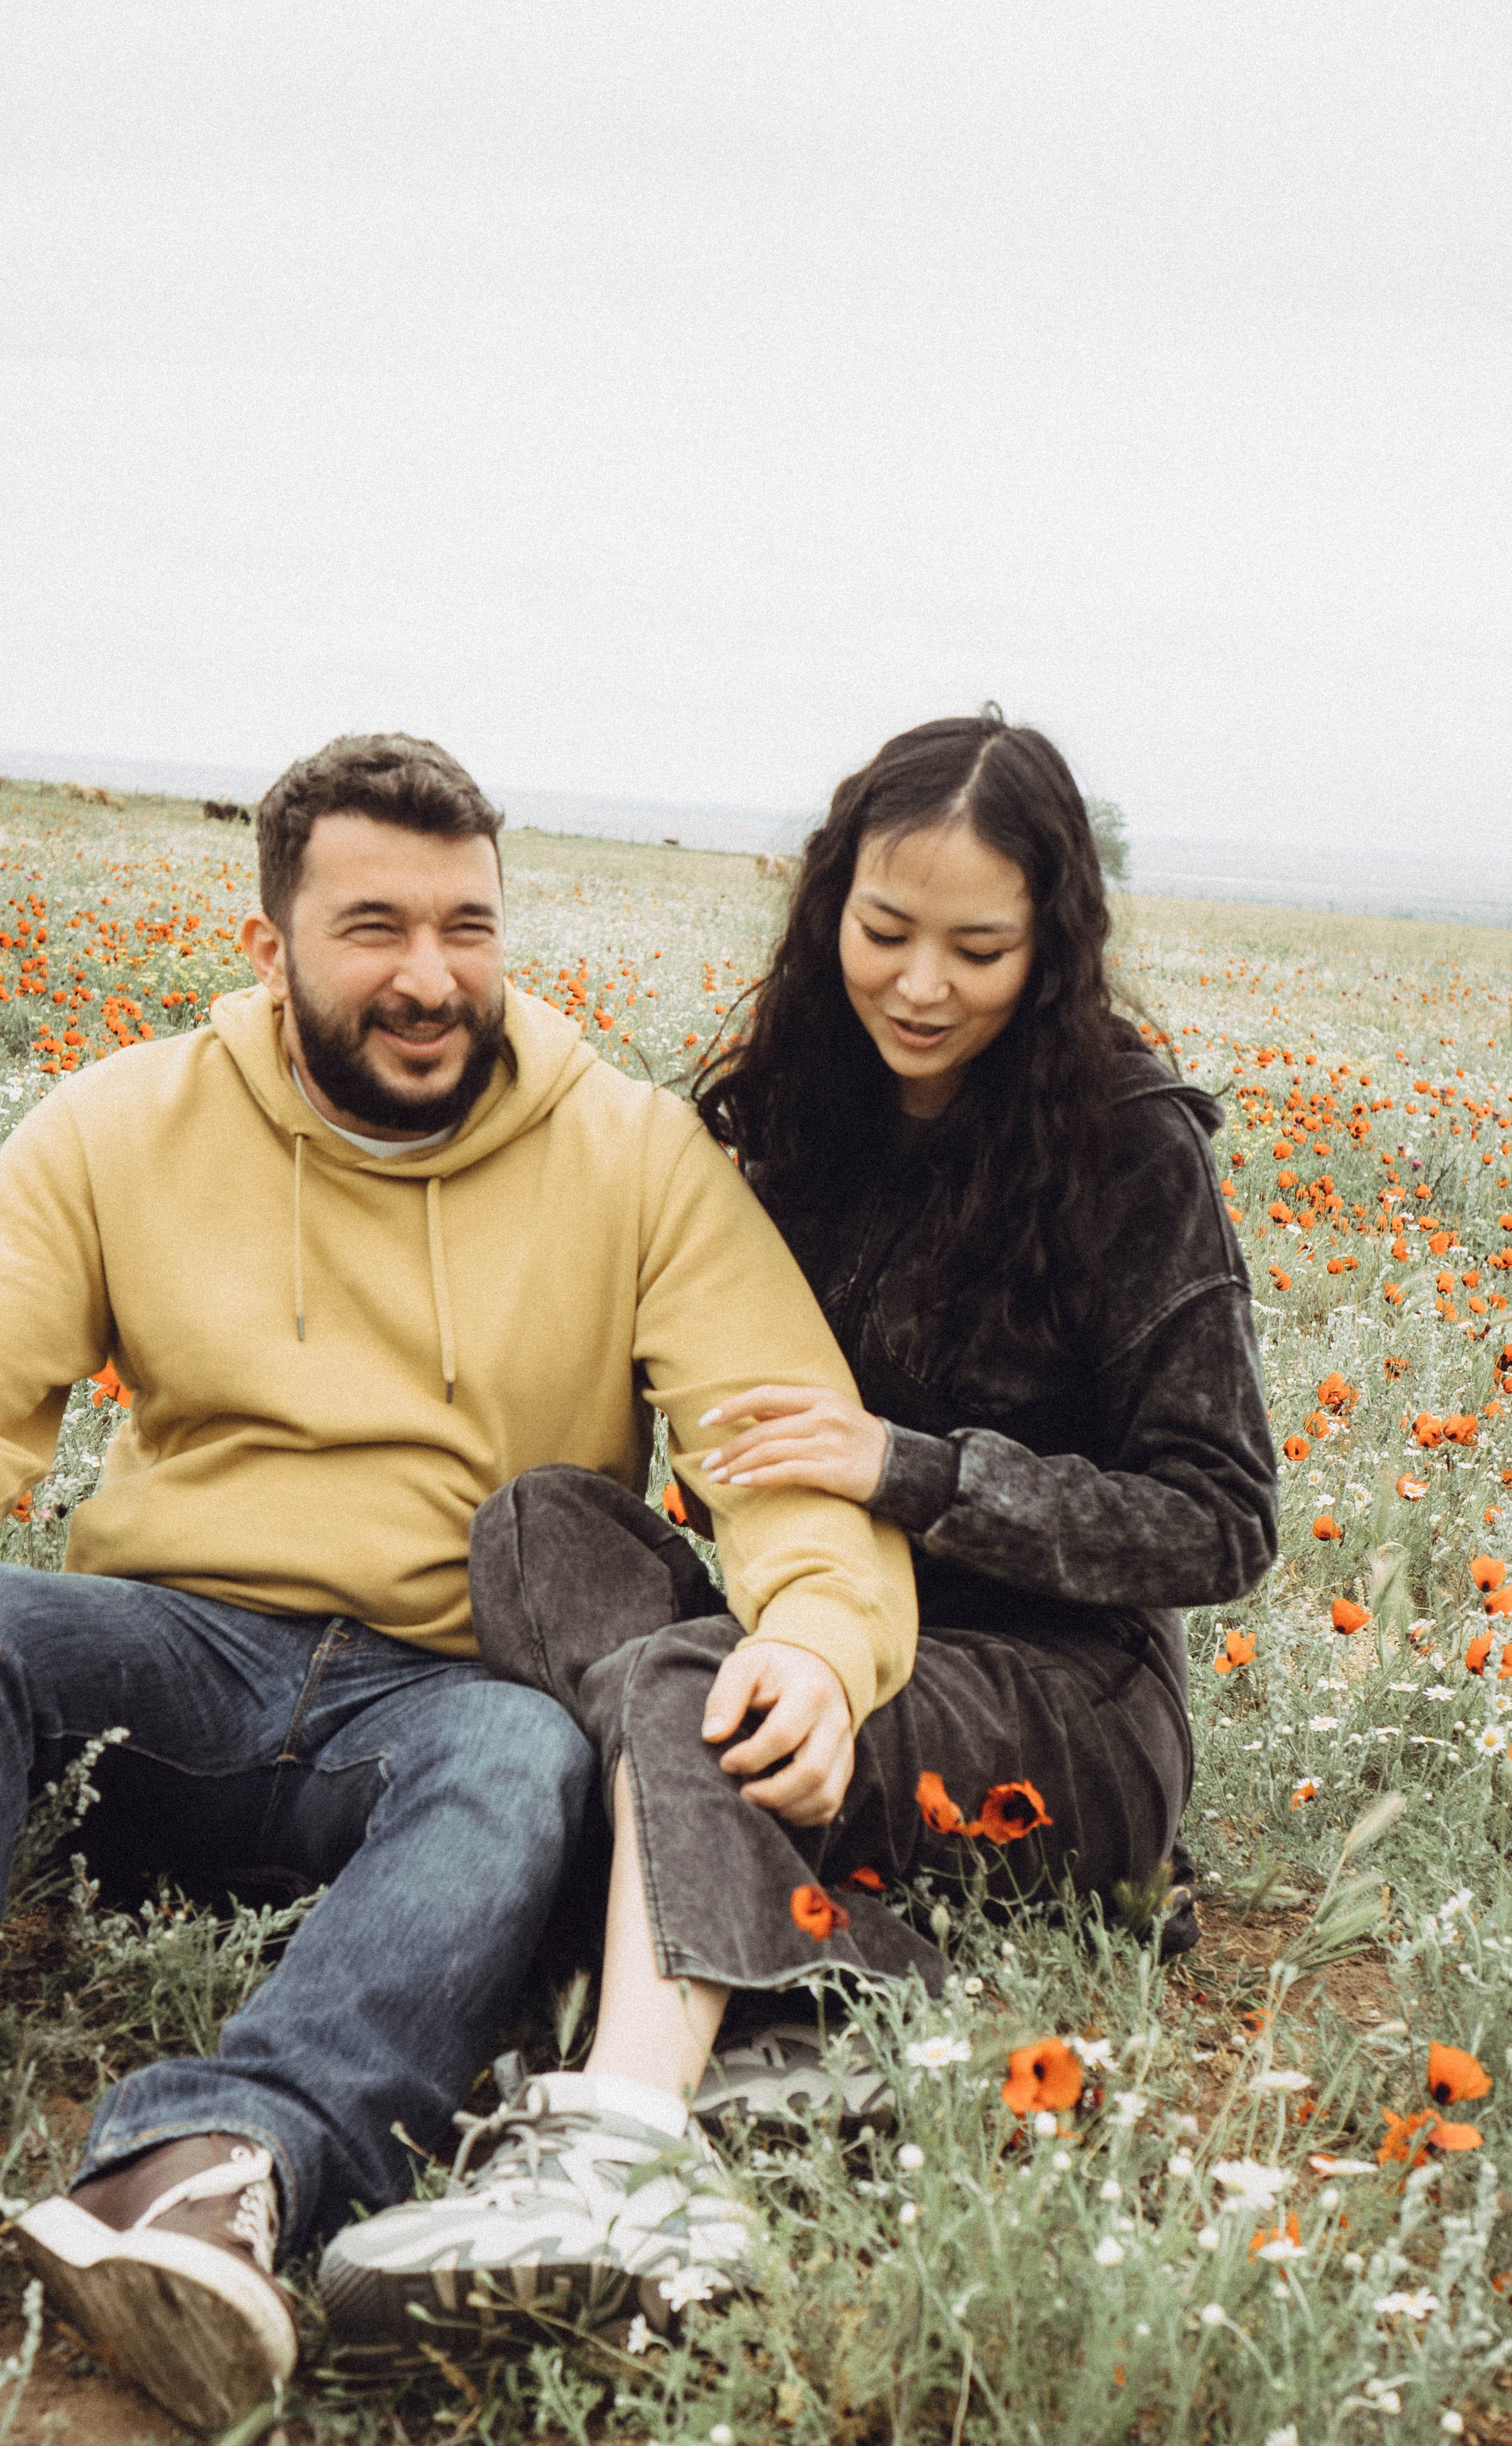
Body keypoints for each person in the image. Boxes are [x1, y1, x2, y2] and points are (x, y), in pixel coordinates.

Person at [318, 708, 1277, 2329]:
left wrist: (911, 1470)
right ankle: (835, 2007)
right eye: (885, 931)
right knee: (542, 1525)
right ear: (829, 902)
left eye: (977, 948)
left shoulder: (1126, 1152)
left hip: (1058, 1693)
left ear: (1048, 949)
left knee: (695, 1694)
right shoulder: (787, 1116)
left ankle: (623, 2150)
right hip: (811, 1624)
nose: (919, 984)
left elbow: (1221, 1520)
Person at [2, 733, 916, 2432]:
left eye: (467, 926)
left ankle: (213, 2174)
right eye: (374, 928)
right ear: (270, 946)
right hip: (172, 1658)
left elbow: (781, 1442)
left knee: (532, 1761)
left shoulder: (633, 1155)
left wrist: (813, 1634)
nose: (430, 979)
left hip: (442, 1699)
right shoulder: (118, 1126)